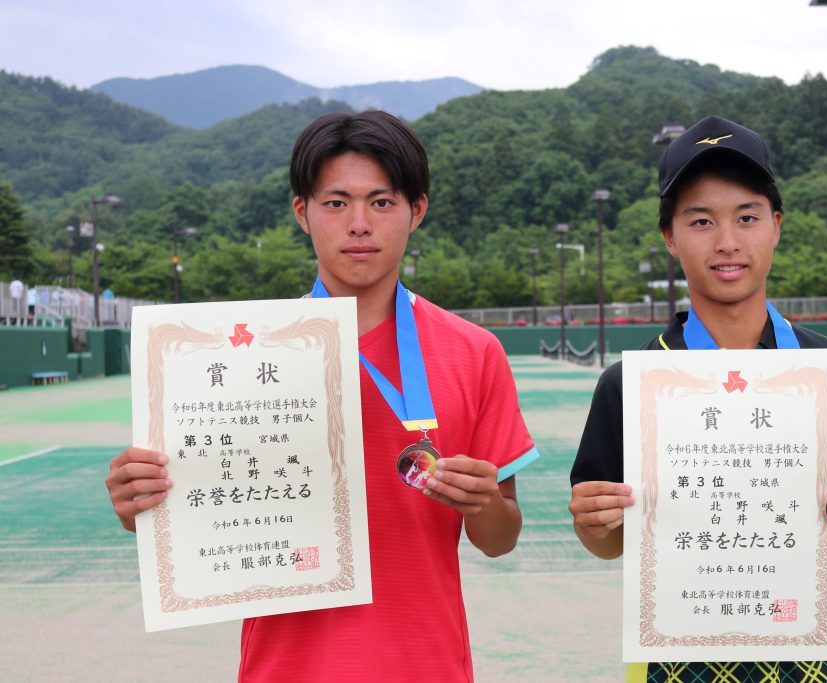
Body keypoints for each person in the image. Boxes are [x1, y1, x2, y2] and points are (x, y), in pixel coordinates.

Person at [105, 110, 540, 681]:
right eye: (336, 203)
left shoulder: (475, 351)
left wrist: (483, 504)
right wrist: (141, 502)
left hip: (426, 664)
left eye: (381, 202)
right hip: (284, 667)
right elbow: (178, 517)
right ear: (302, 213)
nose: (359, 224)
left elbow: (500, 538)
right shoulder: (237, 357)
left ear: (418, 210)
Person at [568, 115, 827, 683]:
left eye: (747, 217)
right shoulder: (630, 383)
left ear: (776, 225)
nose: (727, 241)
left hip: (807, 660)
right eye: (701, 220)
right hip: (670, 665)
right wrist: (594, 523)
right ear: (670, 237)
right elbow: (609, 543)